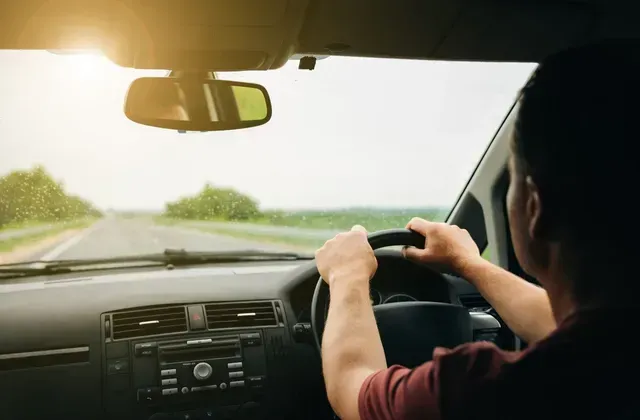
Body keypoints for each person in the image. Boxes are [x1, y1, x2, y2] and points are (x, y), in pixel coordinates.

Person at [315, 42, 640, 420]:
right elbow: (571, 325)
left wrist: (347, 276)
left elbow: (352, 386)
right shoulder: (612, 348)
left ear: (536, 207)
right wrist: (468, 263)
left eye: (513, 182)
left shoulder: (484, 390)